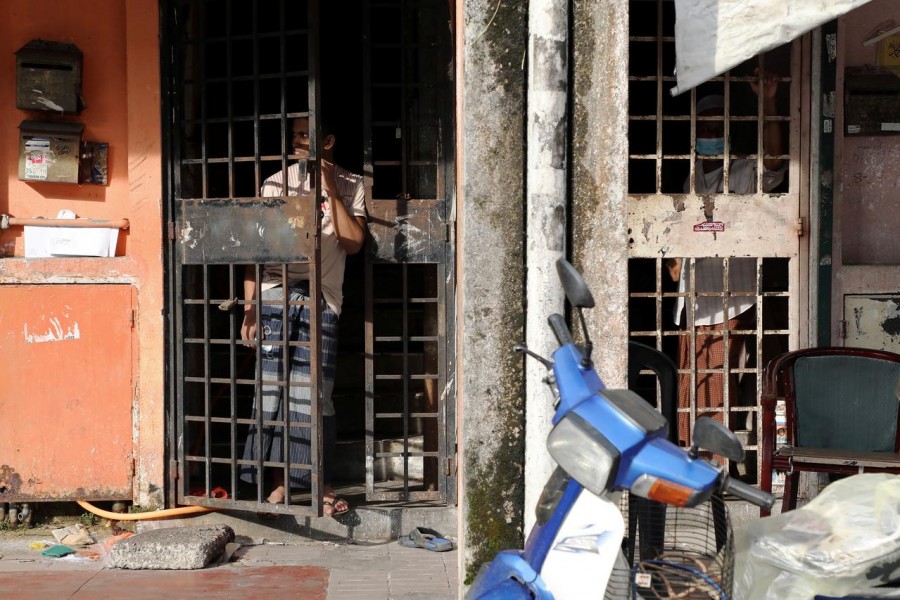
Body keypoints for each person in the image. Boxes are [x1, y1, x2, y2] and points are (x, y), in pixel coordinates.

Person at [240, 115, 367, 516]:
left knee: (315, 394)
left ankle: (320, 484)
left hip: (321, 295)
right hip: (276, 292)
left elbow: (353, 242)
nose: (298, 142)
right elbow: (256, 251)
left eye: (306, 136)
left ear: (327, 140)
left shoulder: (351, 183)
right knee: (274, 388)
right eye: (295, 135)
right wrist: (250, 306)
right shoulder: (276, 183)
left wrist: (330, 187)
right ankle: (279, 483)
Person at [667, 69, 786, 445]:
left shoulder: (743, 171)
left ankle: (710, 461)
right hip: (694, 295)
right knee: (692, 377)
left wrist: (766, 101)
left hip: (730, 295)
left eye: (718, 124)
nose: (712, 132)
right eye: (705, 125)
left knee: (714, 380)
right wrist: (673, 262)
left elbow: (774, 162)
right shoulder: (689, 179)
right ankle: (693, 452)